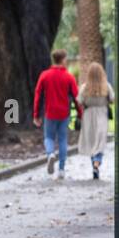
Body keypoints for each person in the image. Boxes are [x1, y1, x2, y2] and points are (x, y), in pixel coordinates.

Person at [33, 49, 80, 180]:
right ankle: (61, 169)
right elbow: (76, 97)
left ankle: (50, 154)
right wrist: (80, 113)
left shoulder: (44, 75)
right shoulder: (69, 77)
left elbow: (38, 95)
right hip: (64, 113)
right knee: (63, 140)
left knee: (48, 137)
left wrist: (36, 114)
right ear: (63, 59)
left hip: (50, 113)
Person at [75, 62, 113, 180]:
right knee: (100, 141)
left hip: (88, 115)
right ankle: (96, 163)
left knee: (92, 141)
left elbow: (79, 101)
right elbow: (112, 99)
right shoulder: (106, 86)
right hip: (101, 114)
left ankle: (94, 164)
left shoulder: (85, 87)